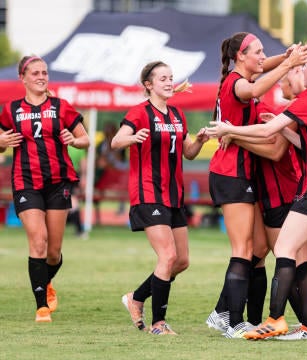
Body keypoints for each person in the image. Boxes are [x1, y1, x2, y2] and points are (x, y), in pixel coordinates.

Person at [207, 49, 307, 342]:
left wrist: (229, 128)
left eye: (304, 67)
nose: (299, 71)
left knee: (285, 249)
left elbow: (267, 131)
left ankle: (275, 320)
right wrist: (285, 130)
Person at [204, 32, 307, 338]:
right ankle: (233, 322)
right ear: (241, 56)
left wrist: (288, 57)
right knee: (242, 250)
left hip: (243, 175)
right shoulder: (238, 83)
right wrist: (288, 63)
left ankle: (224, 313)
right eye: (259, 51)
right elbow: (255, 85)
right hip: (231, 174)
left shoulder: (247, 80)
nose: (264, 56)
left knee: (259, 249)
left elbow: (263, 72)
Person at [112, 61, 208, 335]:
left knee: (181, 261)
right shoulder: (139, 113)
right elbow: (116, 141)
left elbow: (188, 153)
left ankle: (136, 297)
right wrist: (132, 138)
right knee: (167, 256)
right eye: (162, 78)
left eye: (170, 78)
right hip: (148, 193)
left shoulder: (178, 114)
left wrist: (199, 140)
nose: (168, 82)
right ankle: (158, 324)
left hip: (173, 195)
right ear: (149, 85)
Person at [0, 55, 90, 322]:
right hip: (25, 182)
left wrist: (74, 140)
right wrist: (1, 139)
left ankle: (45, 281)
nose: (41, 76)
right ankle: (41, 307)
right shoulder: (11, 109)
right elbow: (1, 143)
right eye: (35, 73)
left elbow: (85, 140)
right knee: (38, 242)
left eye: (44, 72)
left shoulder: (61, 106)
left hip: (57, 183)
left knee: (53, 252)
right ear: (23, 78)